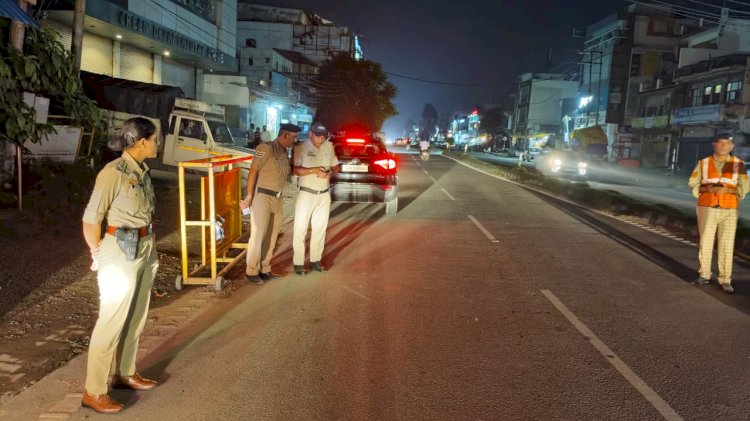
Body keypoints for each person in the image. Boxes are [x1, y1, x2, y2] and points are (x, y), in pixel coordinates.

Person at [80, 117, 160, 414]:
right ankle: (94, 391)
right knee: (111, 321)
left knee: (135, 316)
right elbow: (91, 219)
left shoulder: (142, 172)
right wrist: (97, 253)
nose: (157, 143)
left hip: (144, 247)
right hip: (119, 252)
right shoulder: (112, 173)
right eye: (154, 139)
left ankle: (125, 372)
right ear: (142, 142)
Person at [688, 133, 748, 294]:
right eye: (720, 143)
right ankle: (704, 275)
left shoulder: (737, 164)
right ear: (714, 144)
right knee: (705, 242)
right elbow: (692, 183)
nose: (723, 146)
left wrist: (730, 189)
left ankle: (725, 279)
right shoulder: (704, 163)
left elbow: (745, 186)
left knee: (727, 245)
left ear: (732, 146)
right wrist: (706, 188)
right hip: (707, 207)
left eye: (727, 143)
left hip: (729, 209)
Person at [241, 123, 300, 284]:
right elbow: (253, 170)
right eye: (293, 137)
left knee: (272, 236)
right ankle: (251, 271)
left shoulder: (284, 151)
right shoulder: (266, 148)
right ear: (285, 134)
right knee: (258, 234)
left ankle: (265, 268)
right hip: (262, 197)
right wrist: (249, 196)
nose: (295, 140)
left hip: (277, 199)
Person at [291, 122, 340, 275]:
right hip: (306, 194)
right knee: (300, 229)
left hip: (324, 194)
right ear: (310, 133)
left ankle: (315, 261)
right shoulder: (300, 148)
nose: (321, 139)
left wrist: (331, 171)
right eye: (318, 136)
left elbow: (336, 165)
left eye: (323, 136)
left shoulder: (328, 146)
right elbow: (294, 170)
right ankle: (298, 263)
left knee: (320, 229)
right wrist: (314, 171)